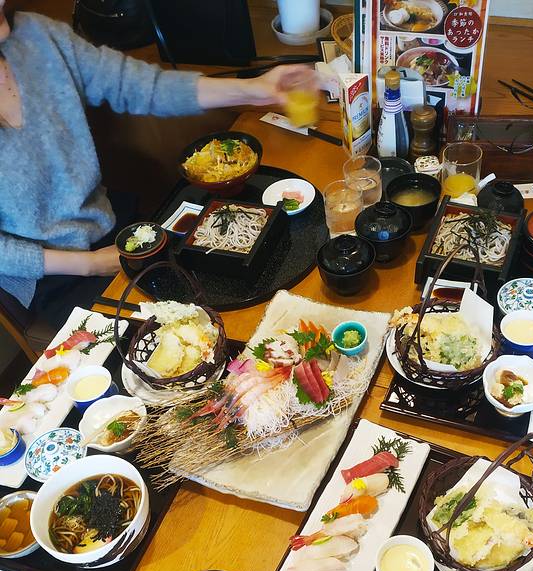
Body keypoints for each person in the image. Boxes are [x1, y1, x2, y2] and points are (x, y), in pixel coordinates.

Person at [0, 0, 316, 327]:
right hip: (55, 276)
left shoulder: (37, 35)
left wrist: (255, 89)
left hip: (116, 228)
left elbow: (139, 85)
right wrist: (91, 263)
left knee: (237, 300)